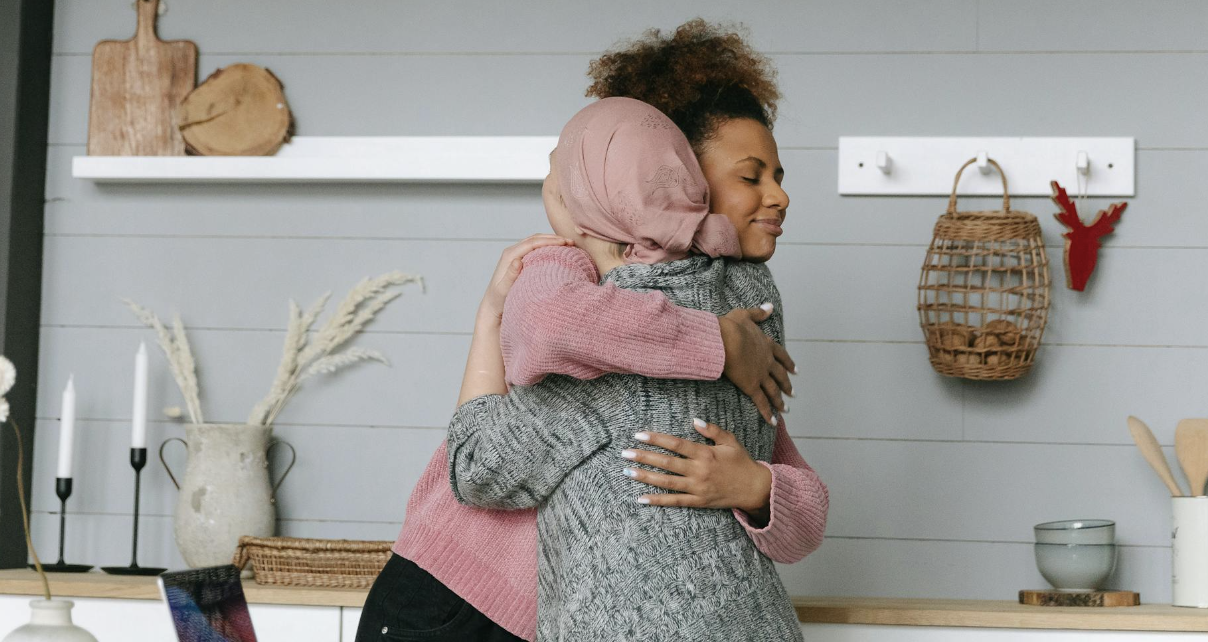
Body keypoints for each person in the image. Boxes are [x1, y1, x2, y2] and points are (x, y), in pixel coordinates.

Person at [356, 20, 826, 642]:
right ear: (671, 172)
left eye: (780, 175)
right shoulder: (572, 273)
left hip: (555, 609)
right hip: (460, 591)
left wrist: (755, 485)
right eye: (751, 175)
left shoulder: (735, 306)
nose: (780, 196)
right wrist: (717, 346)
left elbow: (791, 480)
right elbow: (490, 456)